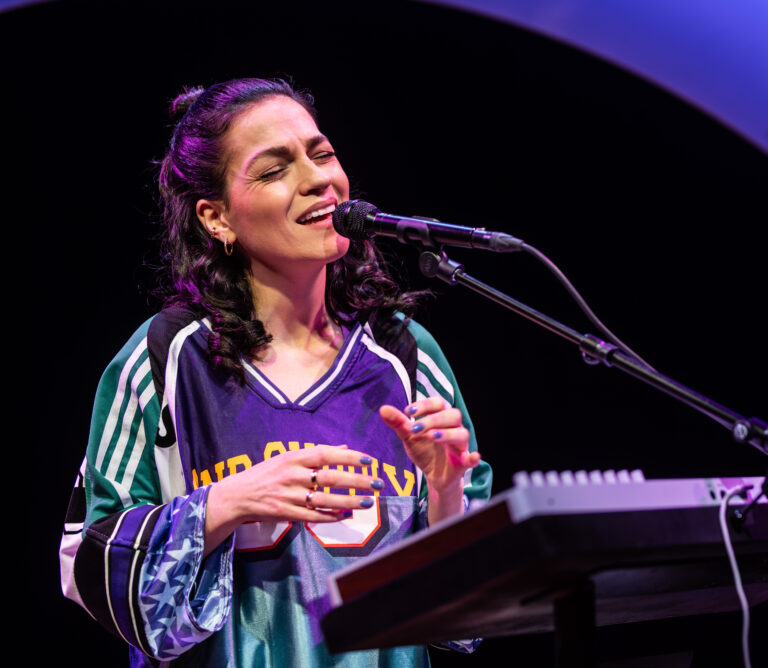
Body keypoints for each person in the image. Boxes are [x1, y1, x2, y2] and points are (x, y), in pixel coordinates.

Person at [59, 77, 492, 667]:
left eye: (322, 153)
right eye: (273, 170)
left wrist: (444, 496)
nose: (318, 179)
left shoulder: (406, 354)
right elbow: (88, 564)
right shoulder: (164, 357)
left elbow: (463, 619)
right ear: (217, 218)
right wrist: (229, 501)